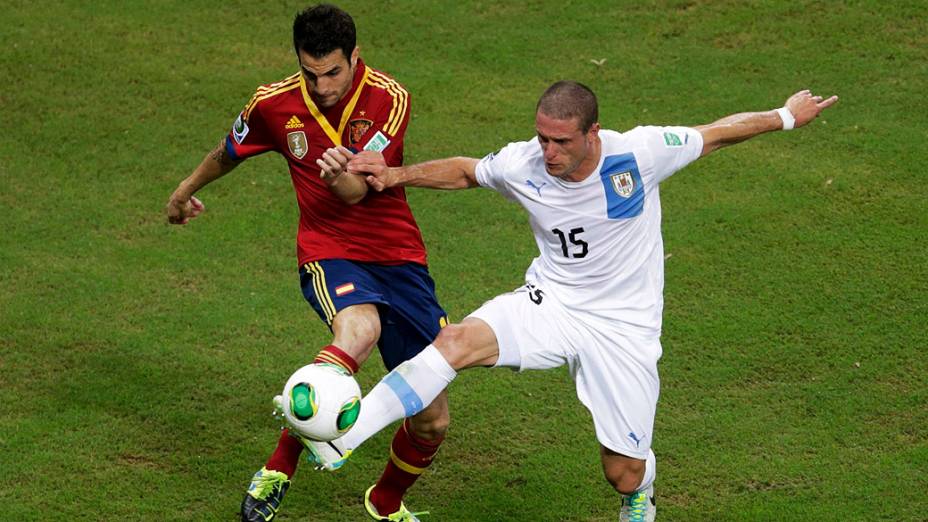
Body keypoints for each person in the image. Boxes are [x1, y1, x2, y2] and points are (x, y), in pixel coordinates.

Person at [310, 81, 837, 521]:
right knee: (454, 341)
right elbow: (470, 170)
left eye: (560, 141)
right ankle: (347, 434)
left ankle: (640, 494)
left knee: (621, 471)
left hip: (623, 328)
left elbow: (717, 134)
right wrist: (398, 175)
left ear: (593, 133)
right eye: (542, 138)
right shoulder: (526, 164)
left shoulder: (641, 153)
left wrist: (785, 117)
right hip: (552, 302)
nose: (548, 152)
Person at [165, 5, 450, 522]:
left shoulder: (389, 99)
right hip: (329, 250)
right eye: (310, 73)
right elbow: (230, 150)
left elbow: (356, 192)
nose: (321, 87)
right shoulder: (273, 104)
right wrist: (184, 191)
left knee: (431, 418)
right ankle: (278, 469)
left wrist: (337, 171)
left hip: (399, 256)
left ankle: (384, 503)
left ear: (355, 57)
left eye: (333, 72)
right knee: (358, 331)